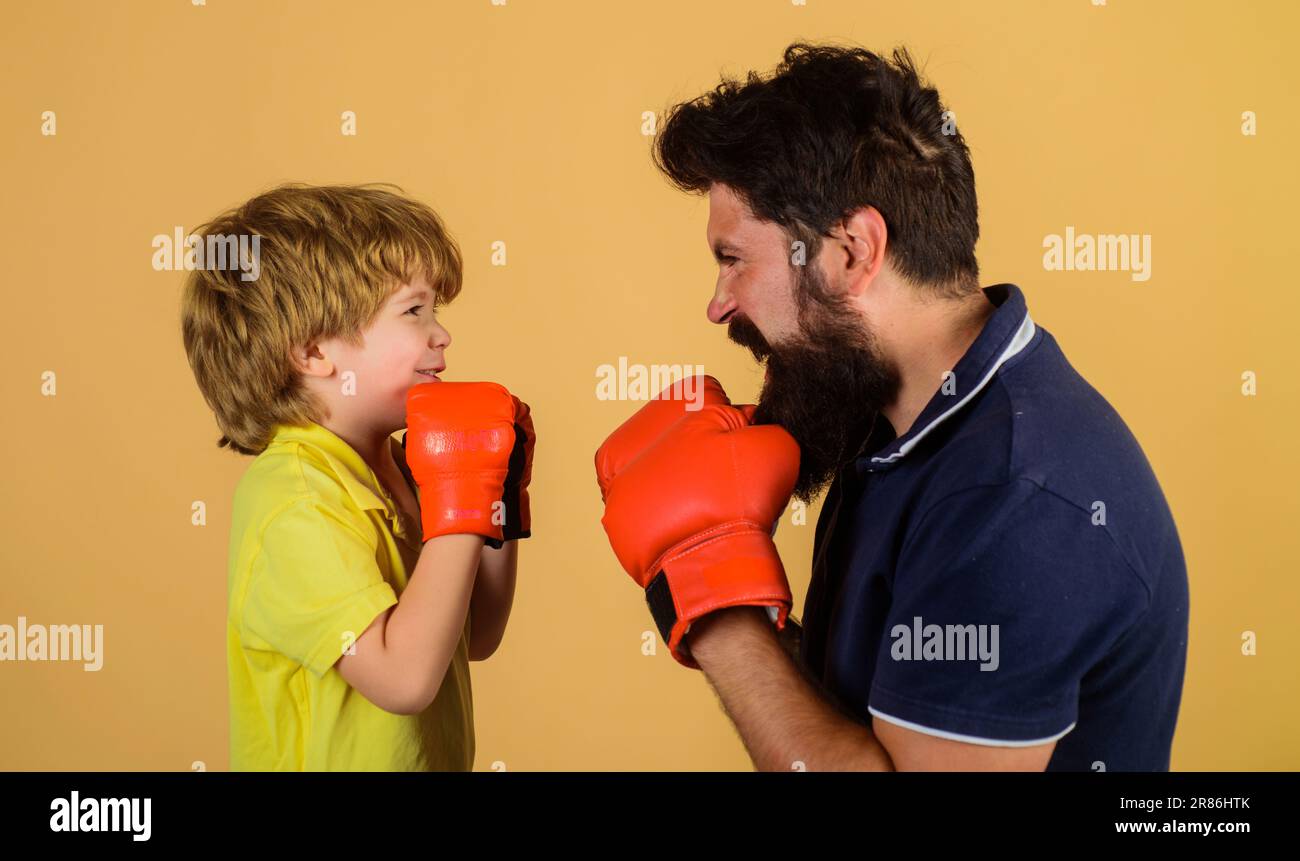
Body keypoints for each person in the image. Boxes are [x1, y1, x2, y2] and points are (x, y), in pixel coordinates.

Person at [594, 44, 1188, 771]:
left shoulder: (1015, 500)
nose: (719, 305)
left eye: (734, 258)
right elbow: (875, 716)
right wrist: (720, 580)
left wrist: (711, 598)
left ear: (850, 251)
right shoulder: (891, 419)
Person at [181, 183, 534, 770]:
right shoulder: (296, 498)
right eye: (415, 311)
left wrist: (498, 498)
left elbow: (476, 633)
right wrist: (464, 490)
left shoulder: (400, 466)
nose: (441, 333)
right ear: (316, 351)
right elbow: (404, 677)